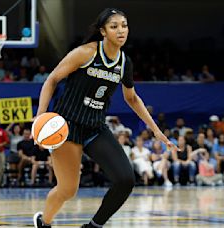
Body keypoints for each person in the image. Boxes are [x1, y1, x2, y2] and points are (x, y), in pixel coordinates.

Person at [33, 8, 177, 228]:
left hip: (95, 128)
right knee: (68, 190)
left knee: (126, 180)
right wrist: (40, 117)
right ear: (103, 31)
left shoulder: (124, 63)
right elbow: (52, 80)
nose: (121, 30)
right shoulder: (85, 53)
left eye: (124, 25)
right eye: (114, 26)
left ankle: (93, 226)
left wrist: (155, 129)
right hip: (67, 126)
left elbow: (132, 98)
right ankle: (44, 222)